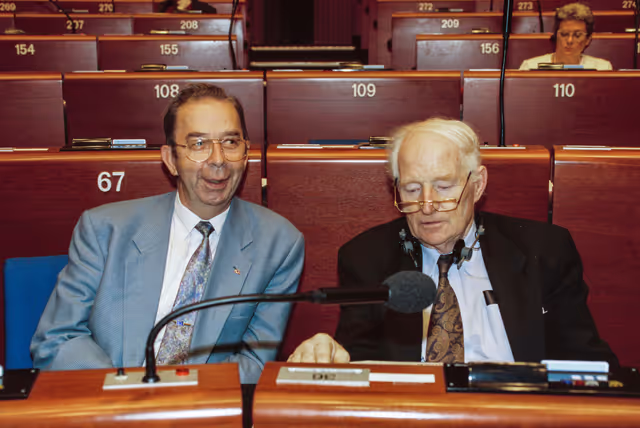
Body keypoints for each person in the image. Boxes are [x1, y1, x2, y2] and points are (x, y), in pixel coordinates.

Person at [288, 117, 618, 367]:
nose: (427, 205)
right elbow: (361, 361)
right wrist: (331, 355)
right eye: (412, 189)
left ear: (477, 185)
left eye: (444, 187)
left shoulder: (543, 251)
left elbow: (586, 364)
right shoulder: (366, 258)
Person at [31, 84, 305, 384]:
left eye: (230, 141)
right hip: (108, 401)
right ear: (171, 159)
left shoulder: (279, 244)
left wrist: (179, 398)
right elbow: (58, 338)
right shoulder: (104, 229)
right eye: (198, 144)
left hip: (203, 409)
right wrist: (129, 393)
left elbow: (254, 361)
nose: (217, 159)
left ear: (246, 154)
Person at [519, 3, 612, 71]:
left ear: (588, 40)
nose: (569, 40)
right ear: (556, 35)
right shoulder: (530, 67)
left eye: (577, 35)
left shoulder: (602, 68)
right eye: (564, 34)